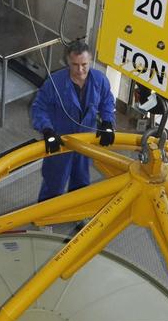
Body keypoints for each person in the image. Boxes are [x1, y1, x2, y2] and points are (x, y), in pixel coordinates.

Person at [30, 41, 116, 201]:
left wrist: (108, 123)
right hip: (60, 142)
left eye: (84, 65)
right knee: (53, 185)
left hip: (85, 142)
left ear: (90, 61)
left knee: (81, 184)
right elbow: (39, 107)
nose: (80, 70)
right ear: (68, 62)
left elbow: (107, 102)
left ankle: (77, 212)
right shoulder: (55, 83)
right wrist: (47, 130)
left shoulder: (99, 80)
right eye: (75, 65)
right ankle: (46, 214)